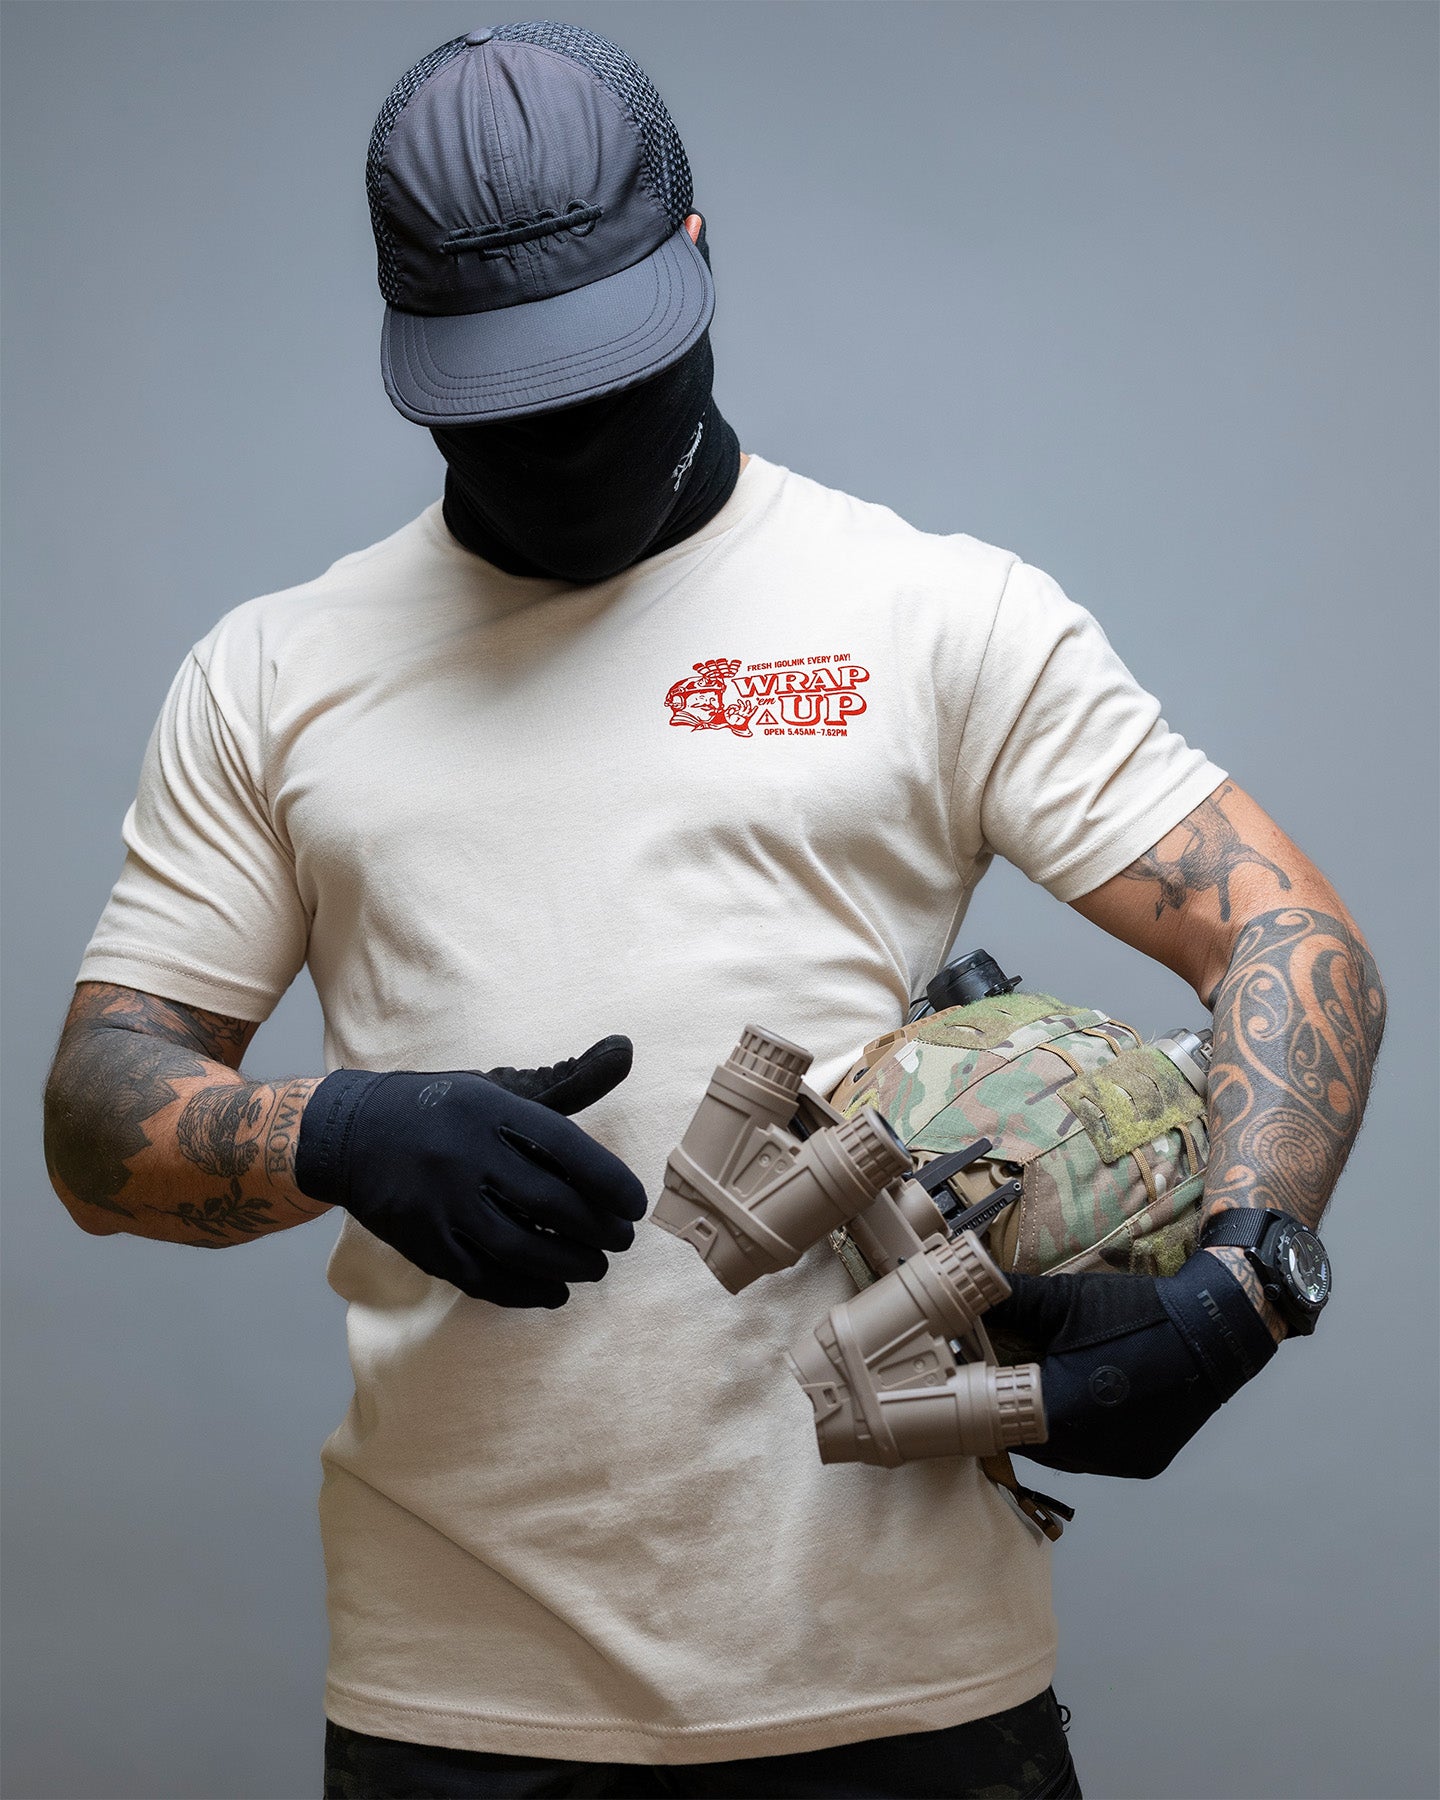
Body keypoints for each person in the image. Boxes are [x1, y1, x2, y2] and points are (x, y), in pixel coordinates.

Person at [42, 23, 1385, 1800]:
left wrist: (1241, 1284)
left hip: (911, 1701)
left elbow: (1294, 943)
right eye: (505, 396)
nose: (564, 437)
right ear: (409, 349)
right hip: (460, 1707)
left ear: (695, 254)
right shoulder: (272, 676)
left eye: (604, 374)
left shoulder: (937, 616)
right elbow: (94, 1111)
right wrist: (340, 1131)